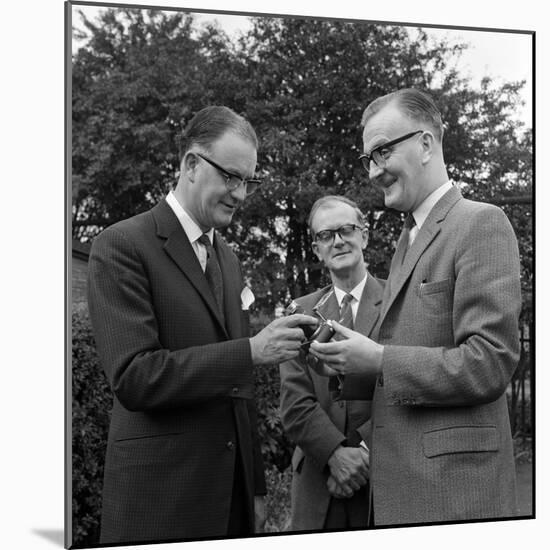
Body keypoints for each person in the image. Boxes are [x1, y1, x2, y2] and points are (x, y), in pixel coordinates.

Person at [87, 105, 317, 544]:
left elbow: (239, 387)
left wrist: (255, 487)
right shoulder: (120, 245)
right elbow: (136, 377)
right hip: (160, 502)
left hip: (229, 501)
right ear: (191, 164)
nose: (241, 194)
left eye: (248, 181)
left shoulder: (227, 258)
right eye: (231, 176)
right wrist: (251, 351)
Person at [309, 88, 522, 526]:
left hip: (453, 495)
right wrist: (351, 363)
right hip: (403, 492)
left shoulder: (480, 222)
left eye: (383, 151)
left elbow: (490, 362)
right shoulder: (407, 239)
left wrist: (381, 360)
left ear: (426, 144)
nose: (373, 170)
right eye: (368, 158)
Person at [279, 196, 384, 531]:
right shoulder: (299, 313)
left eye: (346, 230)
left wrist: (364, 453)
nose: (338, 240)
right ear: (316, 248)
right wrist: (335, 454)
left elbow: (403, 384)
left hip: (383, 479)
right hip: (317, 478)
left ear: (364, 236)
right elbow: (294, 402)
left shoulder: (399, 302)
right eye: (326, 235)